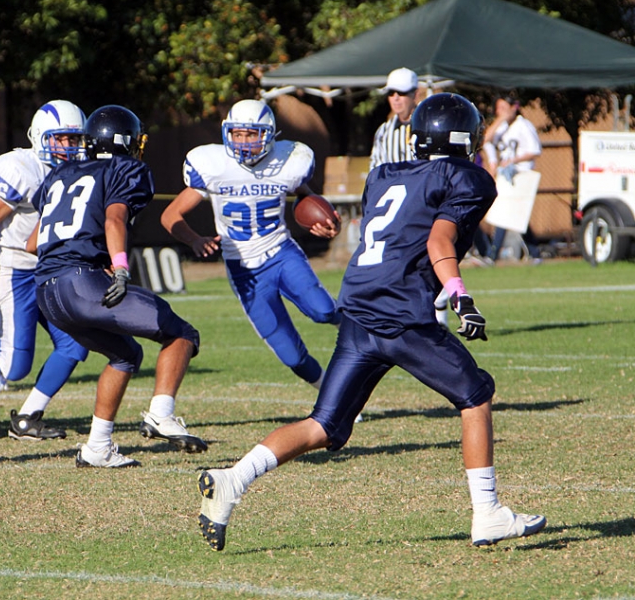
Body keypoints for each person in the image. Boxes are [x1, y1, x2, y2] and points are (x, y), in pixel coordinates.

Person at [194, 93, 546, 551]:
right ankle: (488, 514)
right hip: (401, 314)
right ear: (464, 140)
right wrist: (459, 294)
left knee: (324, 425)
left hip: (359, 308)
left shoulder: (384, 174)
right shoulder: (469, 178)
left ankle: (231, 481)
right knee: (476, 394)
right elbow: (440, 237)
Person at [0, 105, 206, 467]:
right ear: (124, 141)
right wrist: (118, 268)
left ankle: (98, 447)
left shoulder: (62, 173)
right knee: (182, 334)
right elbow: (115, 219)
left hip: (47, 289)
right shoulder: (127, 168)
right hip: (82, 283)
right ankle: (161, 413)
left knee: (126, 355)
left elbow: (33, 243)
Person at [161, 99, 339, 394]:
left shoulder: (286, 162)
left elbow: (309, 198)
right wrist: (194, 239)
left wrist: (328, 222)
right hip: (244, 270)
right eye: (237, 134)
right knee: (291, 355)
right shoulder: (214, 167)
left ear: (268, 135)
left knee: (323, 311)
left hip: (281, 253)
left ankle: (365, 334)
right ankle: (330, 390)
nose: (243, 142)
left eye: (251, 134)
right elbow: (170, 215)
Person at [0, 100, 89, 441]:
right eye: (62, 139)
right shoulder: (21, 169)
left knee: (75, 345)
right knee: (14, 367)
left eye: (75, 140)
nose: (70, 147)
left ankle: (27, 417)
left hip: (54, 269)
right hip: (15, 269)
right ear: (42, 136)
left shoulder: (80, 168)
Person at [482, 94, 543, 263]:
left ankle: (492, 255)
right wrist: (499, 120)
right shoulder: (502, 127)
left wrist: (513, 161)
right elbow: (485, 140)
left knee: (508, 213)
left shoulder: (523, 125)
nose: (500, 112)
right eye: (498, 109)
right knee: (514, 214)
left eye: (503, 108)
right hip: (505, 176)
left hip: (520, 175)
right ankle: (535, 253)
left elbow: (535, 150)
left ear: (514, 107)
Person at [368, 67, 419, 171]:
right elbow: (376, 169)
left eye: (401, 92)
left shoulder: (428, 127)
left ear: (414, 94)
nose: (396, 98)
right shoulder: (384, 131)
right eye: (391, 92)